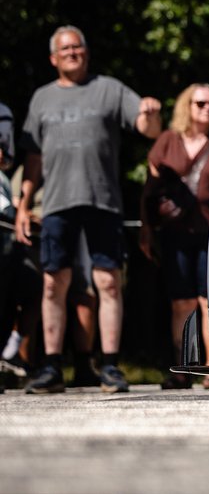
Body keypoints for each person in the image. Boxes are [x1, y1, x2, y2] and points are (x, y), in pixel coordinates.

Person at [15, 25, 162, 393]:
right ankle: (51, 368)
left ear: (86, 52)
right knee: (53, 285)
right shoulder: (42, 99)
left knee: (108, 282)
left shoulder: (108, 89)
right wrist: (23, 204)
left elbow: (147, 129)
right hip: (56, 204)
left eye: (78, 46)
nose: (72, 52)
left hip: (102, 200)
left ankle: (110, 366)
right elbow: (33, 158)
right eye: (65, 48)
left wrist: (151, 113)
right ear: (53, 58)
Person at [143, 84, 209, 389]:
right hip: (174, 234)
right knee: (180, 303)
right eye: (200, 104)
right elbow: (150, 188)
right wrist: (146, 230)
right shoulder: (167, 141)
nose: (207, 109)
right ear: (188, 106)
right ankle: (183, 368)